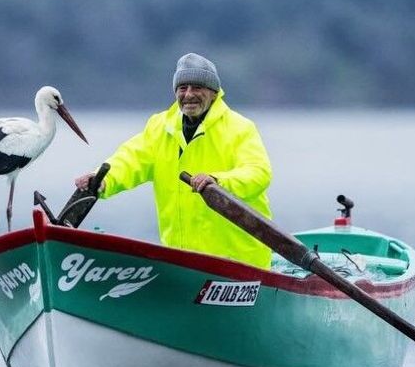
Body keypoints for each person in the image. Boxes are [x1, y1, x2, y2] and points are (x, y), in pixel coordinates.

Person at [75, 53, 273, 269]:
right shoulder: (159, 127)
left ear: (214, 93)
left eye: (197, 87)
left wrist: (218, 182)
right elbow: (130, 160)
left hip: (241, 264)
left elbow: (258, 173)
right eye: (182, 88)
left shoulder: (240, 128)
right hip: (182, 264)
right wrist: (103, 180)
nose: (189, 95)